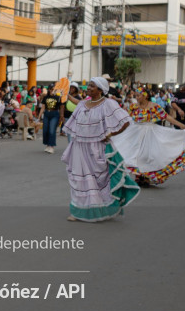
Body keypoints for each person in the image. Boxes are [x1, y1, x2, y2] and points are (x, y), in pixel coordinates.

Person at [60, 77, 140, 223]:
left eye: (92, 86)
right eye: (88, 85)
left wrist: (111, 134)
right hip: (79, 146)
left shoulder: (108, 103)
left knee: (98, 181)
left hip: (98, 148)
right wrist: (65, 93)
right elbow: (75, 105)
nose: (88, 88)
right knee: (79, 180)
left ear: (101, 90)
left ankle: (100, 208)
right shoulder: (83, 103)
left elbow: (125, 121)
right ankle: (77, 210)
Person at [112, 89, 185, 187]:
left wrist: (180, 124)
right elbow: (124, 118)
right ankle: (139, 177)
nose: (137, 97)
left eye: (139, 95)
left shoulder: (154, 107)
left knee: (148, 155)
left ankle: (146, 177)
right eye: (136, 95)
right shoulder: (133, 107)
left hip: (150, 133)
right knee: (136, 155)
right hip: (136, 133)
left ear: (145, 96)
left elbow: (166, 117)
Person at [37, 89, 64, 154]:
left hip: (54, 114)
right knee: (45, 130)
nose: (52, 91)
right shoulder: (46, 97)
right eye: (51, 89)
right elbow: (43, 107)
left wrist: (61, 116)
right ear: (49, 90)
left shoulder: (58, 98)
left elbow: (61, 108)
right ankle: (47, 145)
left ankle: (52, 146)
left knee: (52, 130)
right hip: (46, 113)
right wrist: (39, 116)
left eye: (54, 90)